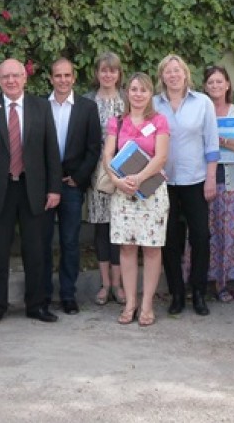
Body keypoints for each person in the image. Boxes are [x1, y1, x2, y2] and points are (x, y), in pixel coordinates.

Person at [0, 58, 62, 327]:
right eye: (5, 76)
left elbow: (51, 151)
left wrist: (55, 188)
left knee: (36, 251)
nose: (11, 80)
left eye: (16, 75)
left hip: (34, 190)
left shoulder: (41, 107)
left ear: (25, 78)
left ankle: (38, 305)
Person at [153, 54, 218, 317]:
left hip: (196, 180)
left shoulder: (202, 103)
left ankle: (199, 292)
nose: (173, 75)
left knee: (201, 236)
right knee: (169, 239)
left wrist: (211, 178)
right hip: (163, 182)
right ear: (162, 76)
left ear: (185, 74)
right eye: (168, 71)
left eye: (177, 70)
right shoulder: (153, 104)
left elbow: (212, 144)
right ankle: (177, 293)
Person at [103, 72, 170, 327]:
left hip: (150, 192)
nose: (138, 94)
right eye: (133, 89)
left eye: (143, 90)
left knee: (152, 249)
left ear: (150, 94)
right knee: (127, 248)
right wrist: (117, 180)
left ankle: (147, 305)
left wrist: (140, 178)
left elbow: (161, 156)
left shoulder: (160, 121)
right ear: (126, 92)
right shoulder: (117, 122)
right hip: (124, 193)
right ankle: (130, 302)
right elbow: (108, 155)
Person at [42, 57, 102, 314]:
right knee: (42, 241)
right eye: (58, 76)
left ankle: (68, 294)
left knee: (69, 241)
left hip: (72, 185)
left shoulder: (87, 108)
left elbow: (93, 147)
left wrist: (78, 178)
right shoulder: (39, 107)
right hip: (43, 185)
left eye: (67, 75)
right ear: (51, 78)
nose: (63, 80)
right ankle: (42, 294)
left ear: (74, 78)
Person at [203, 66, 234, 302]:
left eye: (219, 81)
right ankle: (204, 280)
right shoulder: (201, 109)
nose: (215, 86)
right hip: (203, 179)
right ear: (205, 86)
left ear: (228, 84)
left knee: (228, 231)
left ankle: (225, 283)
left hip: (230, 180)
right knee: (206, 232)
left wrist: (220, 140)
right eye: (210, 82)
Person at [84, 51, 127, 306]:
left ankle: (119, 284)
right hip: (97, 173)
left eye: (113, 70)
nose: (108, 75)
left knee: (120, 228)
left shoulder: (128, 99)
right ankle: (105, 284)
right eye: (103, 70)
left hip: (124, 171)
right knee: (101, 228)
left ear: (119, 74)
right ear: (97, 73)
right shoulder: (88, 101)